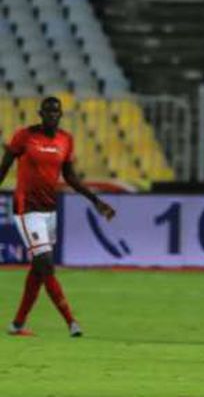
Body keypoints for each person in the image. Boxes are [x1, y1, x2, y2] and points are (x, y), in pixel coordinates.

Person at [0, 96, 116, 337]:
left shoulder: (66, 140)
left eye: (56, 112)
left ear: (61, 115)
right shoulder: (25, 136)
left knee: (39, 269)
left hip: (49, 210)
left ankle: (17, 324)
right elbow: (5, 165)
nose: (53, 115)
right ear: (40, 114)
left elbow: (71, 177)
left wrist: (95, 200)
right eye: (48, 112)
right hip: (26, 209)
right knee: (47, 265)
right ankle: (71, 322)